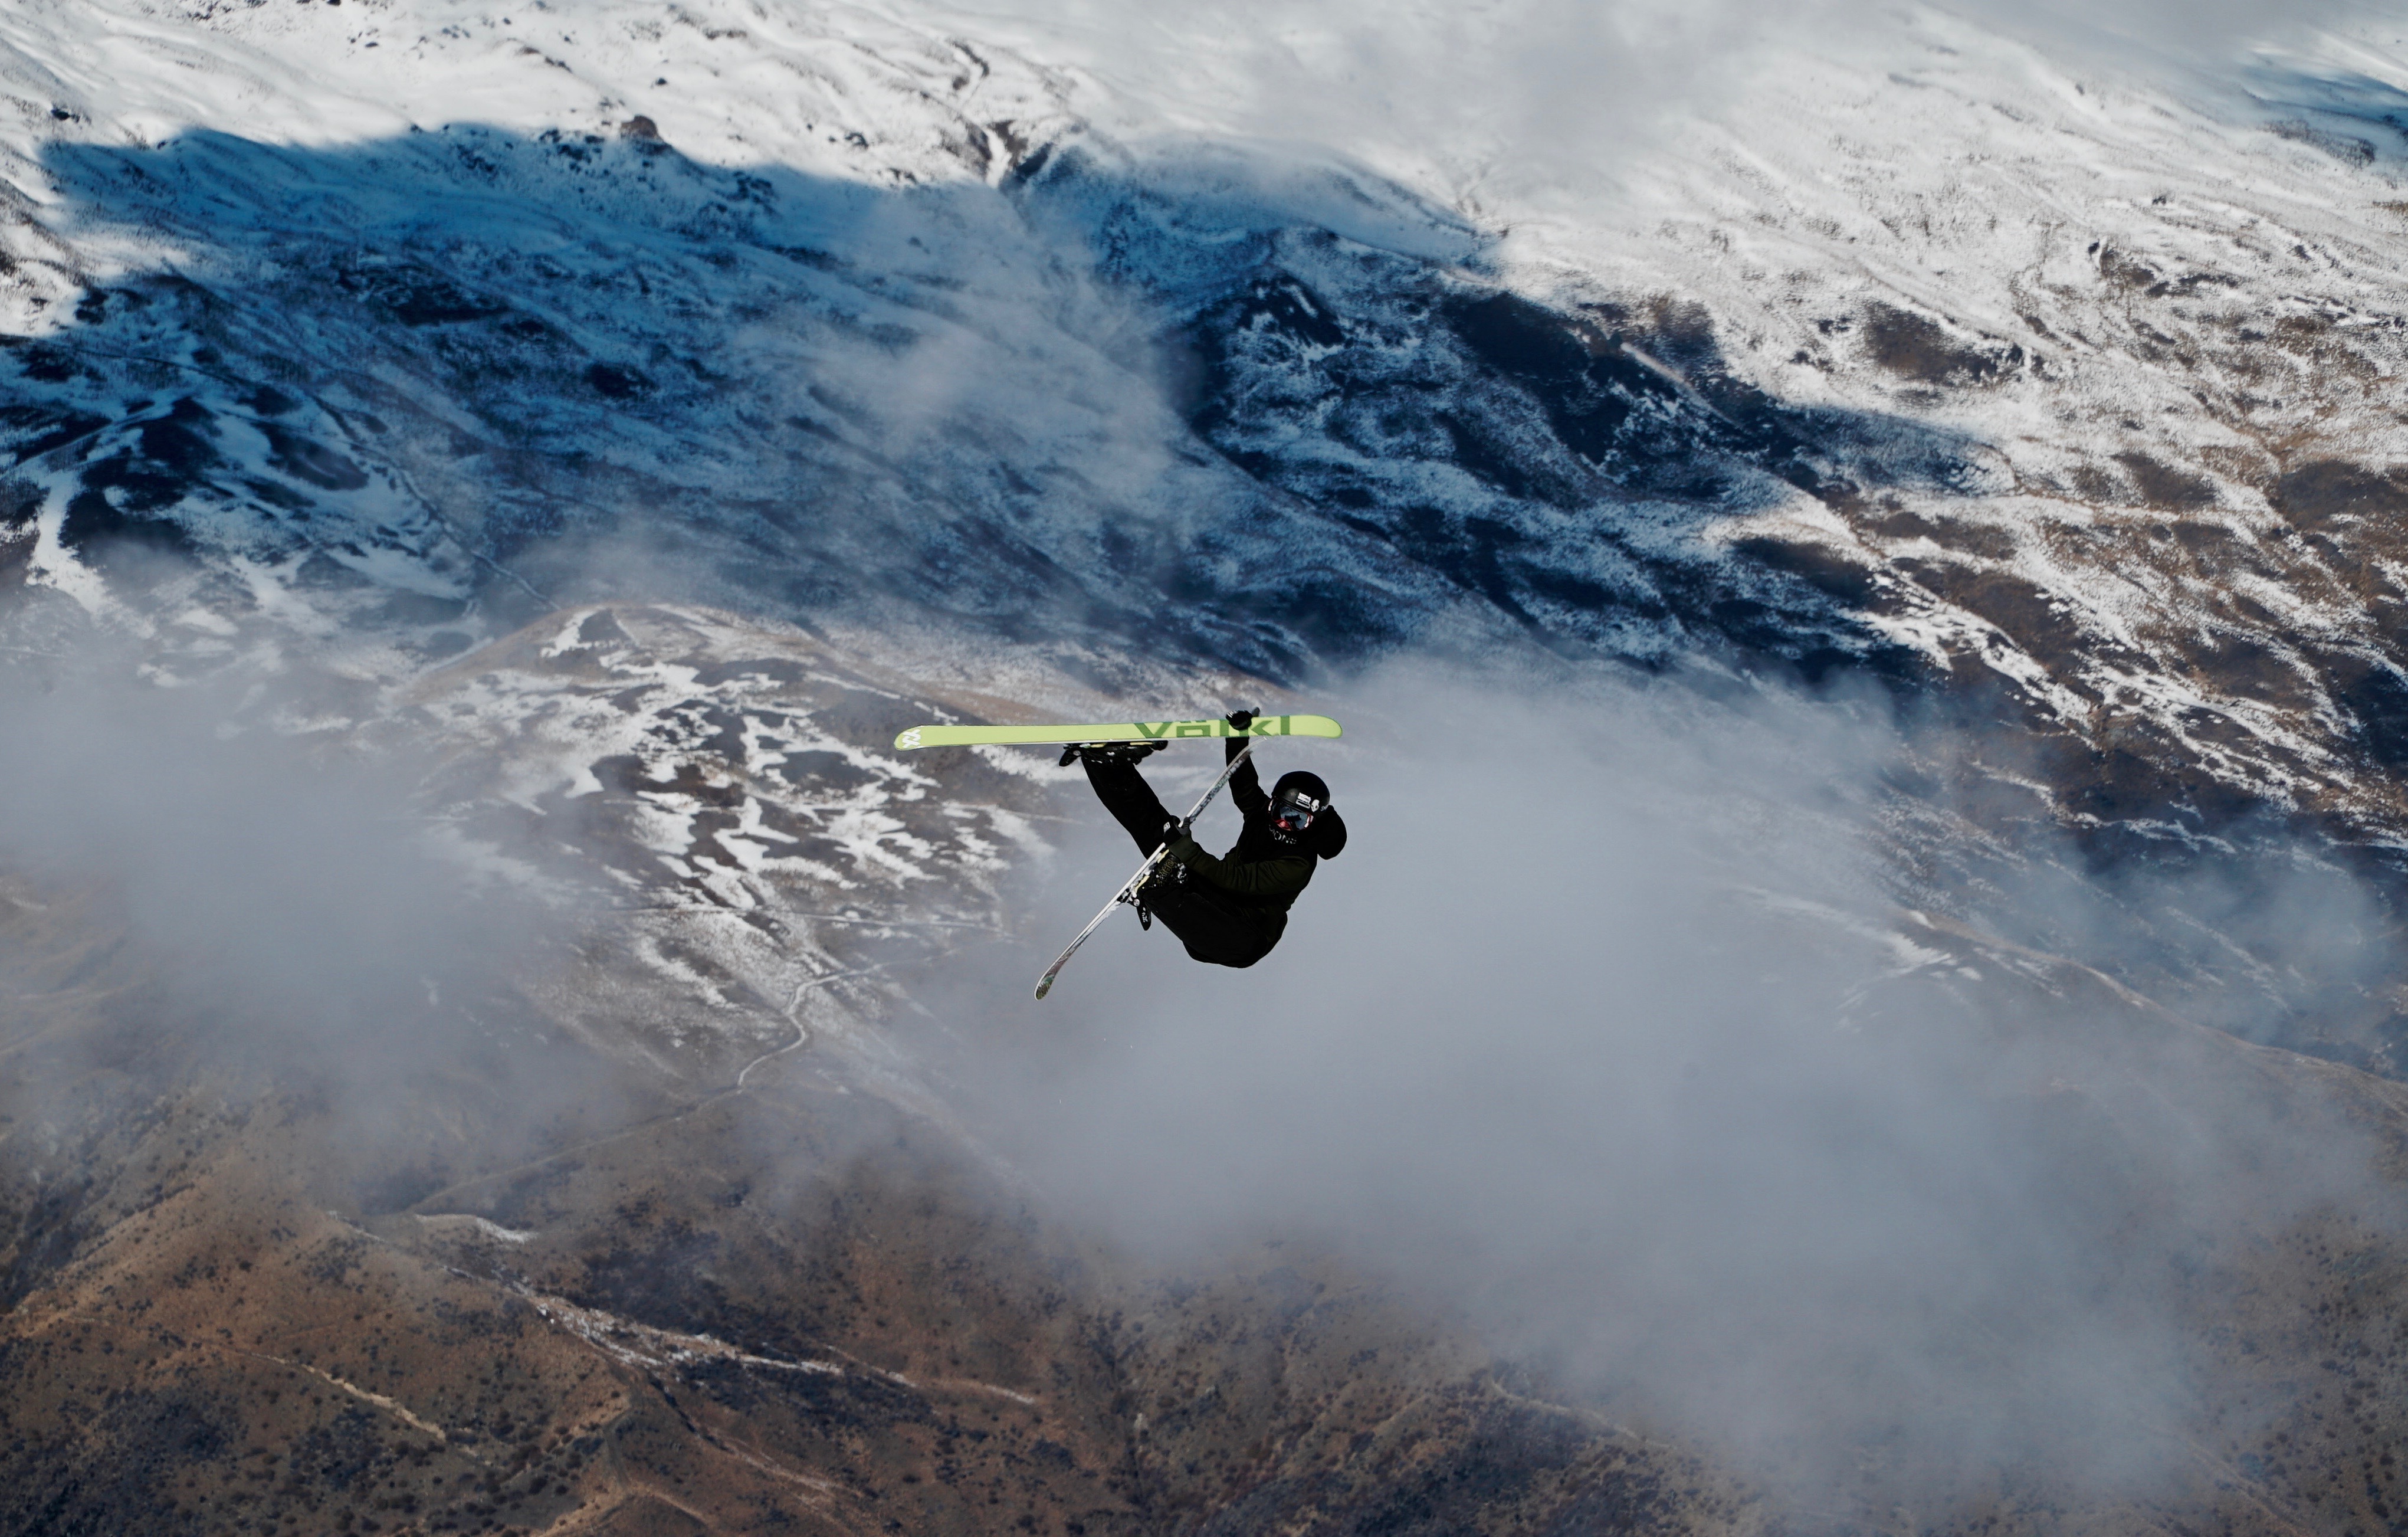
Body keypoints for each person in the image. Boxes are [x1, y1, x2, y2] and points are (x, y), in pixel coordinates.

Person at [1068, 709, 1347, 968]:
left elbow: (1238, 880)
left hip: (1242, 937)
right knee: (1163, 834)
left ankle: (1160, 890)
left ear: (1314, 822)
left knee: (1174, 860)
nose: (1285, 824)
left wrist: (1186, 849)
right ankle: (1107, 766)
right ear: (1273, 804)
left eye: (1298, 820)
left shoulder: (1299, 863)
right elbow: (1244, 787)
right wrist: (1237, 739)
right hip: (1212, 899)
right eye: (1281, 812)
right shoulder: (1263, 816)